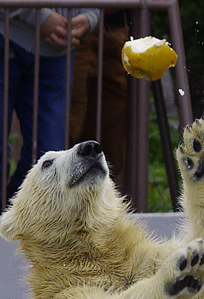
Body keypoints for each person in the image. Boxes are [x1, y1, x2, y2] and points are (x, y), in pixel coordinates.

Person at [0, 7, 99, 216]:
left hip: (56, 49)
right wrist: (37, 15)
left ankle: (10, 231)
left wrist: (91, 15)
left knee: (50, 164)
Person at [69, 10, 129, 185]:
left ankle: (95, 207)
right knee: (67, 132)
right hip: (74, 21)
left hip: (117, 22)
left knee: (111, 151)